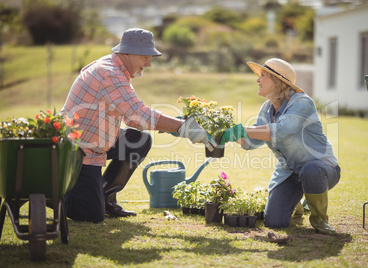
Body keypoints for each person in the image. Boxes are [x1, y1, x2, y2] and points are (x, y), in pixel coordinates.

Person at [62, 28, 215, 223]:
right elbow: (139, 114)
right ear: (127, 52)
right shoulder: (109, 73)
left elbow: (132, 120)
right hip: (78, 151)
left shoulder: (117, 69)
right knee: (91, 215)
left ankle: (105, 197)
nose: (149, 63)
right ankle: (47, 195)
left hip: (96, 142)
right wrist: (184, 127)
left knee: (138, 140)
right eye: (145, 57)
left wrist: (175, 127)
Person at [220, 58, 341, 235]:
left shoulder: (301, 102)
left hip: (322, 169)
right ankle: (297, 203)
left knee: (311, 170)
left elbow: (283, 130)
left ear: (278, 81)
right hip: (290, 173)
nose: (257, 80)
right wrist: (233, 135)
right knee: (275, 222)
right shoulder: (266, 109)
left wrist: (243, 129)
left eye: (263, 76)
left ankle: (319, 218)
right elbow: (253, 142)